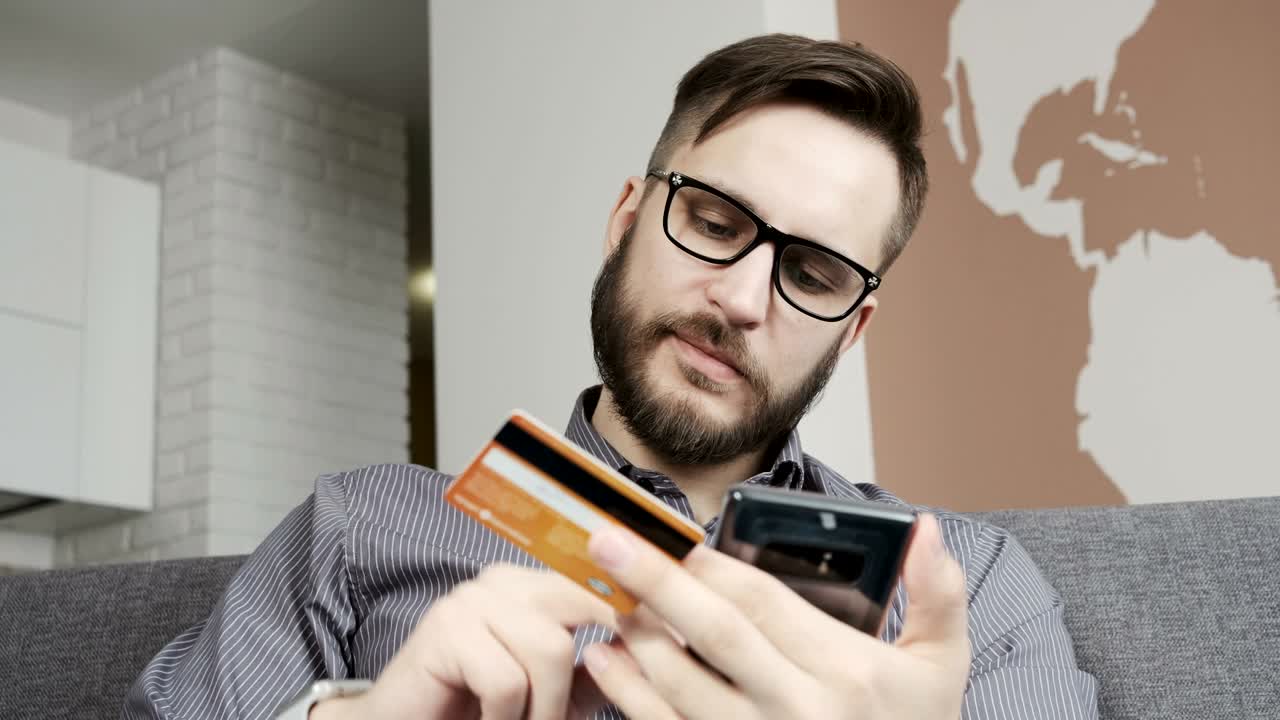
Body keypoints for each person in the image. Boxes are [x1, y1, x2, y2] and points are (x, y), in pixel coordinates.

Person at [124, 34, 1099, 720]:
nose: (743, 298)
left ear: (850, 330)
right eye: (715, 221)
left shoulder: (975, 595)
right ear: (625, 221)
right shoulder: (354, 529)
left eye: (810, 274)